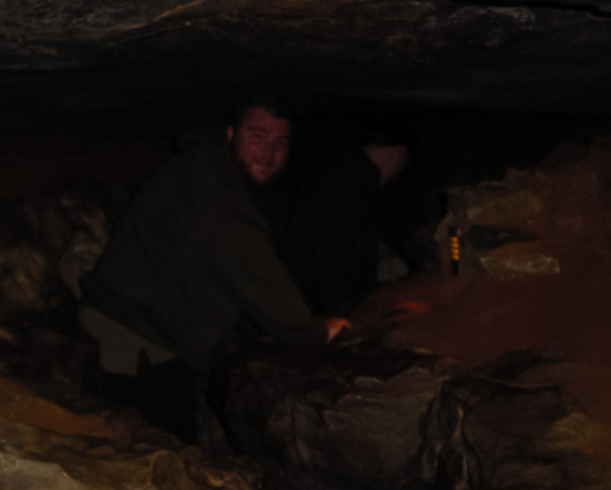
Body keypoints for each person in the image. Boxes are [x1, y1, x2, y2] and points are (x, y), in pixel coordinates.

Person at [79, 98, 350, 441]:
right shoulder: (208, 179)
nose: (268, 153)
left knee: (145, 449)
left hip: (142, 331)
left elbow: (225, 273)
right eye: (257, 136)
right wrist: (310, 332)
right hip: (139, 339)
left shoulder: (214, 175)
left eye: (280, 143)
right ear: (230, 134)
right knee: (163, 457)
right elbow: (253, 269)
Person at [282, 127, 411, 316]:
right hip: (321, 306)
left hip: (305, 297)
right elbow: (330, 251)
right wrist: (345, 310)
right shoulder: (354, 181)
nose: (397, 173)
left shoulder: (337, 167)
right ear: (399, 152)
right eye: (402, 165)